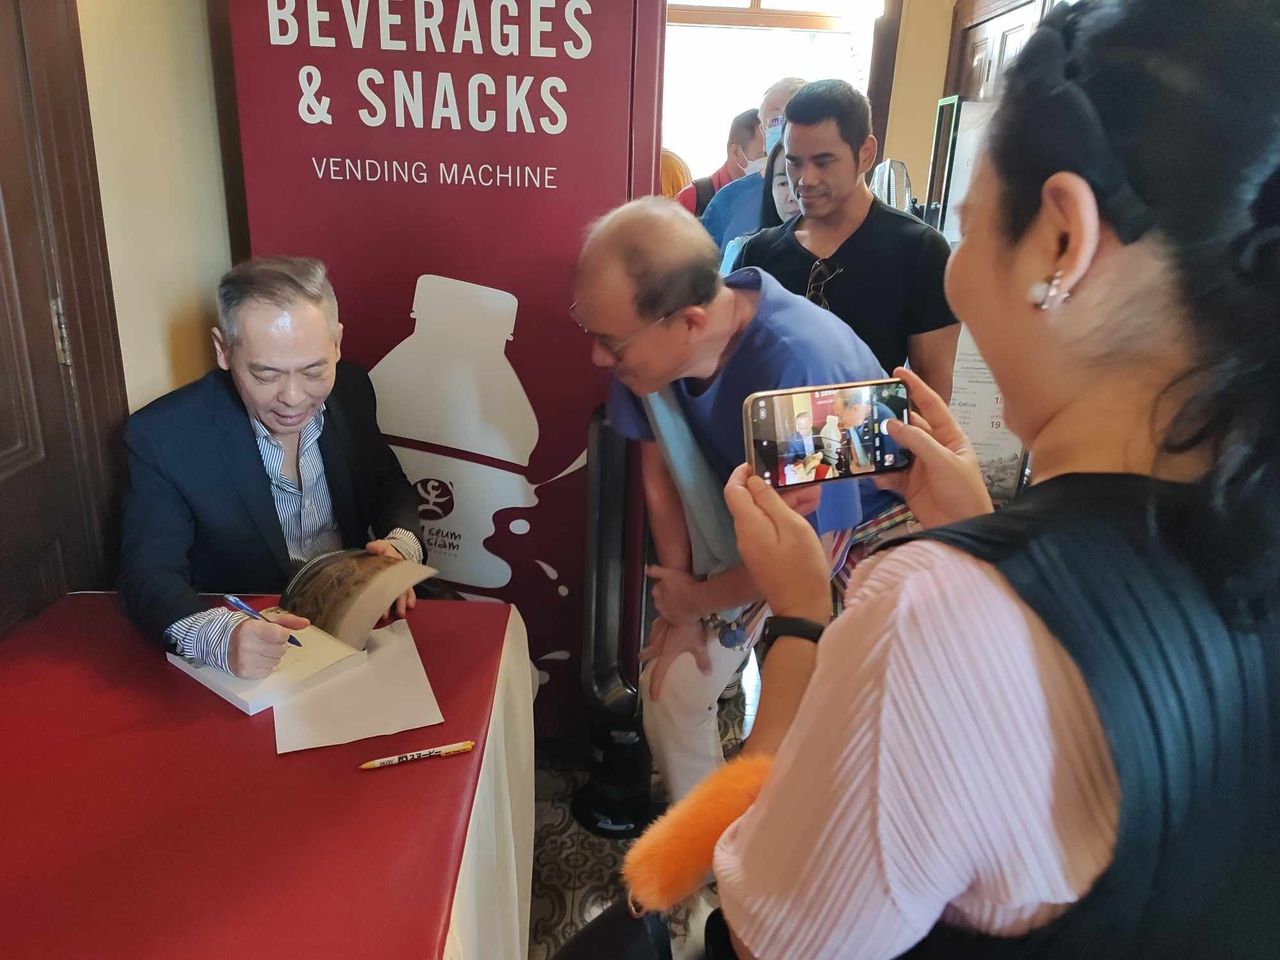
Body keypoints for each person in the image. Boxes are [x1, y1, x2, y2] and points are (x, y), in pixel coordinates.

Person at [703, 2, 1280, 957]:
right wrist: (973, 532)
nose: (958, 276)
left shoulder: (928, 616)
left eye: (970, 230)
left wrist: (802, 623)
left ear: (1061, 240)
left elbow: (774, 935)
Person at [572, 197, 884, 801]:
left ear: (690, 323)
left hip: (846, 535)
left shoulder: (803, 363)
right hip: (751, 518)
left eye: (611, 343)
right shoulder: (650, 353)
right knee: (669, 689)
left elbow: (809, 556)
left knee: (814, 742)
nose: (598, 357)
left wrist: (698, 600)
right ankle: (708, 844)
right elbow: (659, 469)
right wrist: (680, 598)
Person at [119, 257, 424, 679]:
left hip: (359, 623)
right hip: (252, 633)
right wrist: (218, 638)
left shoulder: (352, 388)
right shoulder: (165, 435)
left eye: (314, 370)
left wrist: (400, 547)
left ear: (337, 342)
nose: (294, 398)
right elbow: (148, 572)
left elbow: (388, 484)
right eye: (266, 375)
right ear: (224, 350)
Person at [732, 80, 961, 401]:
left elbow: (931, 394)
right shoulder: (759, 253)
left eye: (823, 161)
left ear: (866, 154)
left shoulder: (920, 251)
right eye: (794, 162)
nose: (805, 179)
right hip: (772, 429)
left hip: (875, 430)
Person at [701, 78, 807, 251]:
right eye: (776, 120)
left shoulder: (830, 195)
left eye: (797, 118)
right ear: (763, 131)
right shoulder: (728, 199)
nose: (786, 127)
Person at [719, 141, 800, 276]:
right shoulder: (744, 251)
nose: (793, 196)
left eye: (800, 181)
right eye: (783, 183)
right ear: (770, 189)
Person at [677, 109, 765, 217]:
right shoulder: (692, 199)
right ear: (735, 152)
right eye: (764, 154)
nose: (770, 162)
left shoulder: (776, 197)